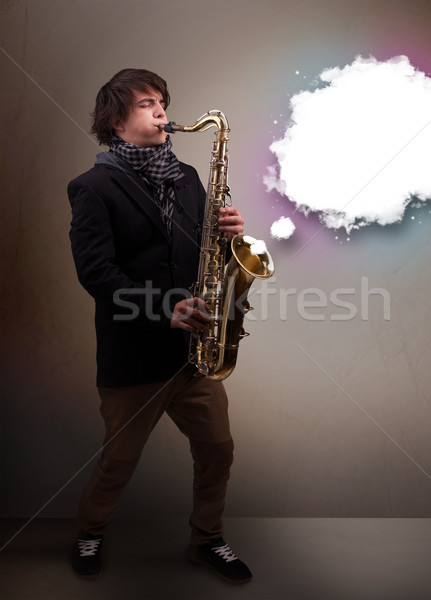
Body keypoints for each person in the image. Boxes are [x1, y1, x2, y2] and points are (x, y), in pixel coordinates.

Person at [67, 68, 251, 584]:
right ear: (117, 122)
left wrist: (231, 234)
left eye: (162, 102)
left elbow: (203, 253)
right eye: (148, 104)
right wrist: (161, 307)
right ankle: (91, 531)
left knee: (218, 449)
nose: (162, 112)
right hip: (135, 354)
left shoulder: (190, 177)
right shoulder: (92, 188)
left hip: (194, 351)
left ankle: (208, 538)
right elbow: (96, 273)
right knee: (118, 461)